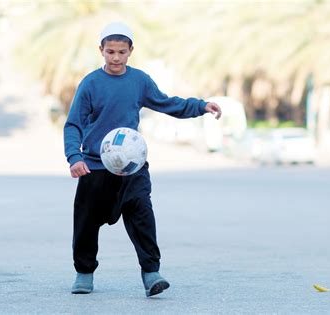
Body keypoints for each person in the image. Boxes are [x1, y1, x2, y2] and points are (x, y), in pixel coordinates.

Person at [63, 22, 222, 297]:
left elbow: (166, 102)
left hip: (131, 166)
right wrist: (74, 157)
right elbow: (73, 124)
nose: (115, 58)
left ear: (130, 51)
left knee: (142, 216)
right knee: (86, 222)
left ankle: (151, 273)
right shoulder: (90, 83)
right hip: (95, 166)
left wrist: (199, 106)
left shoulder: (139, 81)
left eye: (121, 52)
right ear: (101, 50)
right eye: (110, 51)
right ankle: (84, 273)